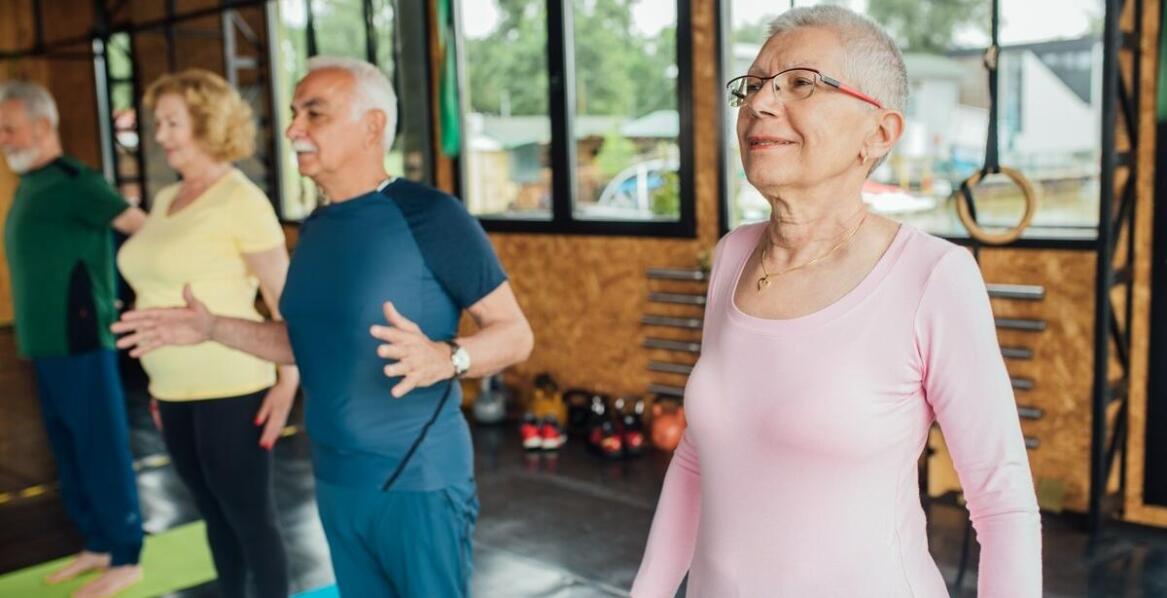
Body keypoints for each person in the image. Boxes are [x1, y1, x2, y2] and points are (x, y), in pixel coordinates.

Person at [630, 7, 1041, 598]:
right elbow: (701, 453)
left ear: (879, 132)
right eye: (751, 87)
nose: (759, 105)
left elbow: (1002, 506)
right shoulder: (732, 257)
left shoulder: (934, 277)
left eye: (801, 83)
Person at [112, 55, 534, 597]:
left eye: (314, 113)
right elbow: (299, 342)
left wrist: (448, 357)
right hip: (336, 479)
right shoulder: (317, 228)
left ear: (372, 126)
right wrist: (213, 325)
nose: (293, 129)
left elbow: (515, 333)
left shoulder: (430, 215)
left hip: (417, 480)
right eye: (293, 114)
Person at [116, 69, 294, 598]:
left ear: (207, 123)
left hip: (232, 386)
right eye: (159, 123)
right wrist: (157, 382)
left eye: (172, 123)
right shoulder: (169, 197)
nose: (161, 135)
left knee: (248, 515)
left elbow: (286, 302)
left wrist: (288, 382)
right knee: (211, 513)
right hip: (172, 391)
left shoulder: (241, 201)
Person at [1, 80, 147, 598]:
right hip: (43, 345)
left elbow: (141, 228)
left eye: (10, 128)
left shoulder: (75, 181)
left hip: (82, 340)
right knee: (68, 452)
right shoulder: (32, 184)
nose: (3, 139)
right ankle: (98, 543)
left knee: (100, 447)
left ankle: (127, 553)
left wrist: (138, 295)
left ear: (43, 126)